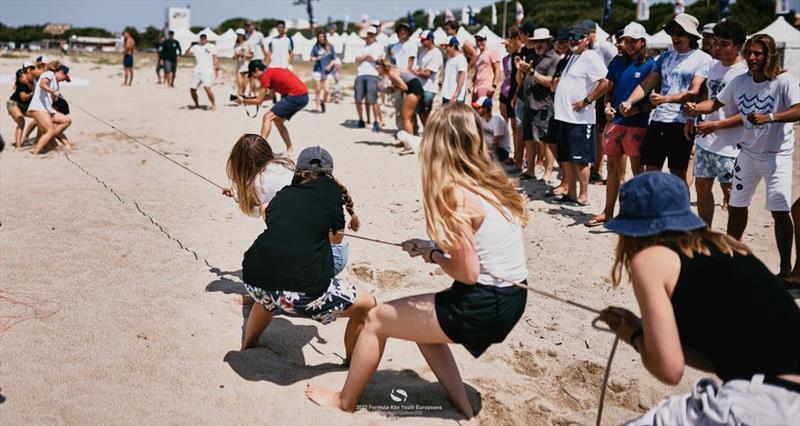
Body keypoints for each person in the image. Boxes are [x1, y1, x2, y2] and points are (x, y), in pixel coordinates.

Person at [305, 102, 529, 419]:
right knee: (422, 332)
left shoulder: (457, 192)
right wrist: (430, 245)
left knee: (377, 320)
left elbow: (467, 272)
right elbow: (480, 247)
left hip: (484, 302)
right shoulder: (492, 182)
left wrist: (433, 254)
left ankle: (345, 400)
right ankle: (463, 407)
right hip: (513, 298)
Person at [598, 171, 800, 425]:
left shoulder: (651, 259)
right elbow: (723, 355)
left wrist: (634, 336)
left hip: (764, 401)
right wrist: (642, 329)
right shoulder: (729, 247)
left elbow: (669, 371)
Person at [238, 146, 376, 366]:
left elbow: (270, 215)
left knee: (267, 299)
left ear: (298, 171)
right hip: (303, 292)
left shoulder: (284, 193)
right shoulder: (332, 194)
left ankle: (248, 345)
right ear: (329, 173)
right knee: (368, 304)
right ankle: (350, 362)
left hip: (255, 279)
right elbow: (336, 241)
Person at [686, 34, 800, 278]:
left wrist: (771, 117)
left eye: (758, 53)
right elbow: (715, 103)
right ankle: (730, 258)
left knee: (779, 210)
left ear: (770, 55)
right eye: (749, 52)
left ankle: (785, 268)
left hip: (776, 155)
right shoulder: (740, 81)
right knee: (737, 206)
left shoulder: (783, 81)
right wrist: (695, 108)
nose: (752, 58)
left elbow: (798, 109)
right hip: (747, 153)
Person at [223, 134, 352, 286]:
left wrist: (242, 196)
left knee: (270, 223)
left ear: (242, 164)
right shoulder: (283, 164)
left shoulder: (259, 183)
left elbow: (254, 212)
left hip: (322, 260)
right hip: (340, 251)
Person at [620, 13, 712, 182]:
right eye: (672, 32)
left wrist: (665, 99)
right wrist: (629, 101)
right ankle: (653, 207)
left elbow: (694, 91)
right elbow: (647, 83)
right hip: (659, 120)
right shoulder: (665, 57)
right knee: (651, 170)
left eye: (680, 33)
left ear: (691, 35)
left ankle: (680, 208)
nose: (675, 37)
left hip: (683, 122)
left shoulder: (703, 59)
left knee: (677, 173)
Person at [585, 22, 654, 227]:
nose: (629, 44)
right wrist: (606, 106)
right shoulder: (617, 62)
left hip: (637, 124)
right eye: (626, 40)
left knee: (637, 170)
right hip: (615, 122)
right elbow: (609, 90)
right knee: (612, 167)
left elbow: (653, 99)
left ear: (642, 42)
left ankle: (637, 213)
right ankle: (608, 212)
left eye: (633, 41)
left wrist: (636, 110)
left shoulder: (650, 64)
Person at [684, 19, 748, 228]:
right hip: (706, 139)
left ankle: (733, 242)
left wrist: (717, 125)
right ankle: (706, 234)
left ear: (737, 46)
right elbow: (706, 96)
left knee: (730, 194)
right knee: (702, 186)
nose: (716, 48)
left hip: (733, 146)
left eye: (723, 44)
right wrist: (692, 116)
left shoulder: (746, 73)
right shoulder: (713, 66)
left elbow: (748, 115)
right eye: (715, 42)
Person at [550, 26, 609, 206]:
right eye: (570, 39)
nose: (573, 42)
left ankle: (583, 196)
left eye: (577, 39)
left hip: (580, 119)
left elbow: (604, 82)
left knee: (581, 160)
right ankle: (572, 193)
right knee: (566, 158)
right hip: (565, 116)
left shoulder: (591, 57)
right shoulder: (572, 56)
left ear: (586, 39)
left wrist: (586, 100)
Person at [516, 28, 560, 181]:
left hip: (544, 105)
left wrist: (533, 72)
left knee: (547, 140)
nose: (538, 45)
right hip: (529, 103)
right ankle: (530, 170)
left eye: (541, 42)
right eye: (536, 42)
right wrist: (520, 69)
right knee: (529, 138)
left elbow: (550, 82)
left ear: (548, 42)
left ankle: (548, 172)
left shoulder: (554, 58)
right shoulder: (532, 57)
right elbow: (520, 81)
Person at [239, 62, 309, 153]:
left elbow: (259, 101)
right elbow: (270, 96)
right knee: (278, 121)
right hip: (303, 96)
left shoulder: (265, 76)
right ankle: (290, 149)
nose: (254, 78)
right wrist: (247, 99)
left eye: (253, 75)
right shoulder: (271, 72)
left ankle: (259, 148)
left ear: (257, 70)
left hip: (295, 96)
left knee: (267, 117)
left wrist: (243, 101)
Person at [28, 62, 73, 155]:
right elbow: (42, 84)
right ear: (61, 72)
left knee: (66, 120)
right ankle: (35, 152)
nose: (64, 80)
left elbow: (50, 99)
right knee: (50, 130)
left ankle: (50, 138)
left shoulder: (57, 84)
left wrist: (55, 97)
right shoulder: (49, 74)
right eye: (64, 78)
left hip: (47, 109)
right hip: (38, 107)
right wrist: (52, 91)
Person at [376, 59, 422, 145]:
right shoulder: (393, 69)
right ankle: (405, 141)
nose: (376, 70)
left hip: (414, 91)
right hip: (414, 90)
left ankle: (410, 144)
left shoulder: (391, 73)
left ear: (383, 67)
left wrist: (391, 89)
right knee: (404, 117)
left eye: (378, 68)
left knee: (405, 118)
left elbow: (404, 87)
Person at [353, 27, 384, 131]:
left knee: (373, 100)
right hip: (360, 74)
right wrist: (367, 57)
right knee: (358, 99)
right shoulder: (362, 46)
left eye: (372, 35)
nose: (370, 36)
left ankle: (376, 121)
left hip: (372, 75)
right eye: (369, 34)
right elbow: (357, 58)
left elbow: (377, 59)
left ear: (375, 36)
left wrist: (365, 57)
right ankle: (361, 120)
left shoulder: (379, 46)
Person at [499, 27, 522, 166]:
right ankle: (508, 151)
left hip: (514, 92)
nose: (507, 43)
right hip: (505, 92)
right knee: (506, 124)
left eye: (510, 39)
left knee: (515, 127)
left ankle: (518, 155)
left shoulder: (518, 54)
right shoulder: (507, 58)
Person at [389, 23, 417, 131]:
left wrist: (408, 73)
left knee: (409, 108)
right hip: (397, 77)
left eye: (405, 30)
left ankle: (412, 129)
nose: (402, 32)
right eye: (400, 30)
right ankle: (400, 130)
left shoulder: (411, 44)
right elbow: (393, 62)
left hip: (408, 77)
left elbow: (411, 60)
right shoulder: (395, 47)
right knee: (398, 106)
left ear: (408, 32)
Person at [413, 30, 443, 126]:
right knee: (420, 111)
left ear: (430, 40)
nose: (421, 42)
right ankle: (426, 131)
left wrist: (418, 71)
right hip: (421, 86)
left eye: (423, 40)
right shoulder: (424, 52)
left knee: (426, 111)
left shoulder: (436, 53)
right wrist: (419, 71)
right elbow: (418, 68)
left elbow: (427, 74)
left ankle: (429, 131)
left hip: (430, 88)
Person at [185, 34, 219, 112]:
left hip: (208, 71)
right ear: (200, 39)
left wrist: (216, 69)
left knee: (207, 88)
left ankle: (213, 105)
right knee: (192, 89)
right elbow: (186, 54)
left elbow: (215, 57)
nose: (203, 39)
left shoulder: (211, 46)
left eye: (204, 38)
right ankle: (196, 104)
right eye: (201, 38)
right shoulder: (195, 47)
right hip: (197, 71)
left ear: (206, 39)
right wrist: (190, 45)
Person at [473, 96, 512, 161]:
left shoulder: (497, 121)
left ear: (485, 108)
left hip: (501, 150)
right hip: (488, 147)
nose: (476, 110)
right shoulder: (482, 119)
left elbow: (495, 144)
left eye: (478, 108)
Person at [7, 65, 34, 149]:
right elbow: (23, 97)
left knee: (39, 118)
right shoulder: (21, 84)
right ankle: (18, 146)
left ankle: (26, 136)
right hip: (13, 104)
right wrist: (33, 93)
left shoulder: (32, 82)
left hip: (23, 106)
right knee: (21, 121)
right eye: (21, 77)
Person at [310, 31, 335, 113]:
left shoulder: (330, 46)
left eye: (323, 36)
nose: (322, 38)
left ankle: (323, 103)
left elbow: (334, 59)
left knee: (327, 90)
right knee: (317, 89)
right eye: (320, 36)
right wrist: (315, 58)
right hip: (317, 70)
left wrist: (330, 66)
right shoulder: (315, 47)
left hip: (328, 71)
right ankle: (317, 107)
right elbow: (311, 57)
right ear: (318, 37)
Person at [472, 34, 501, 102]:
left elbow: (497, 69)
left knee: (483, 110)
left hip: (486, 86)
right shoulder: (479, 55)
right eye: (477, 40)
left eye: (481, 40)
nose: (479, 43)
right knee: (475, 109)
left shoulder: (491, 52)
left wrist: (494, 86)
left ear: (485, 40)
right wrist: (472, 84)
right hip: (477, 87)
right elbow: (477, 72)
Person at [441, 37, 468, 104]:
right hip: (446, 95)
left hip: (456, 97)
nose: (445, 49)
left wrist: (456, 94)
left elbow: (461, 78)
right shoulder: (449, 58)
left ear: (453, 46)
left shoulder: (461, 59)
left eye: (446, 47)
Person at [245, 20, 268, 96]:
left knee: (261, 77)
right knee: (251, 78)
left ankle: (265, 92)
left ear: (253, 25)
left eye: (249, 25)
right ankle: (253, 94)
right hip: (250, 60)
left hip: (259, 58)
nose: (248, 27)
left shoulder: (259, 35)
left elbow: (263, 47)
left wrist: (266, 59)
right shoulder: (246, 36)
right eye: (247, 25)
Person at [233, 29, 254, 98]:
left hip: (247, 67)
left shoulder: (248, 43)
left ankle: (242, 97)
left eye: (240, 35)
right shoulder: (236, 45)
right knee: (240, 84)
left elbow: (251, 55)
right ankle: (240, 98)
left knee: (245, 84)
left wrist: (244, 54)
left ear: (243, 35)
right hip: (239, 67)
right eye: (238, 35)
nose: (239, 36)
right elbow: (233, 57)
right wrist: (236, 55)